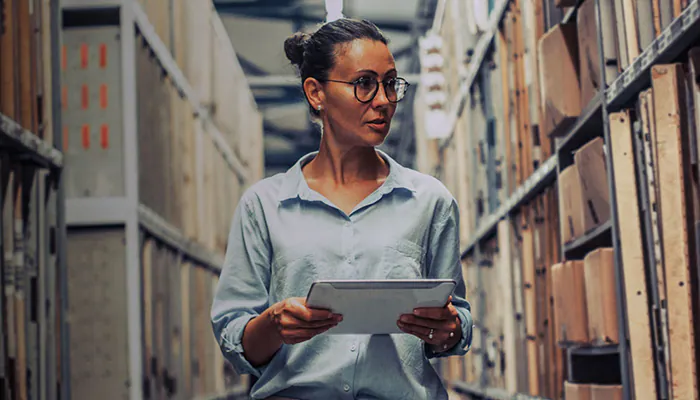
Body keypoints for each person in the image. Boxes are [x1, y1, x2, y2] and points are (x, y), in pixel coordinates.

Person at [211, 18, 473, 400]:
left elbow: (457, 323)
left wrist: (449, 328)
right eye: (364, 84)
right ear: (316, 93)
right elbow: (235, 337)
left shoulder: (430, 201)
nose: (383, 100)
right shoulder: (264, 206)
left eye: (390, 84)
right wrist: (274, 324)